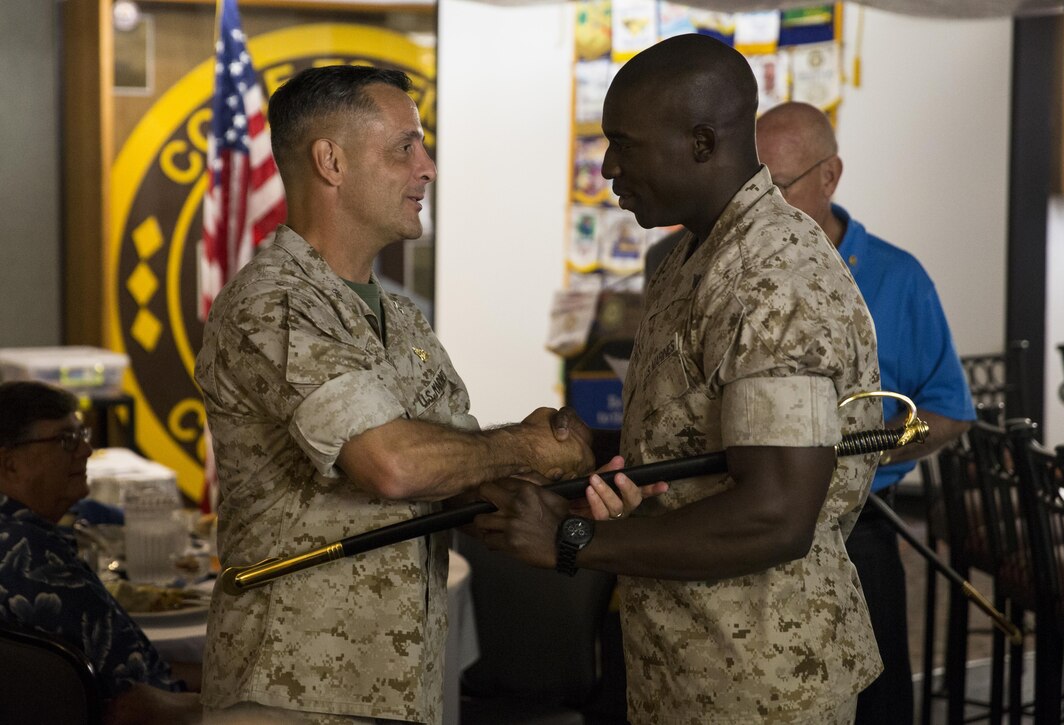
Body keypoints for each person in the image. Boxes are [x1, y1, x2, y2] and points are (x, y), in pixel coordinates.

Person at [195, 64, 656, 724]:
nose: (428, 166)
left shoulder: (402, 320)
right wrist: (525, 444)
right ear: (330, 161)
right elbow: (395, 465)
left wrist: (577, 488)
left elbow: (458, 480)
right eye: (404, 146)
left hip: (398, 681)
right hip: (290, 688)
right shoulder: (275, 303)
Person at [474, 34, 885, 724]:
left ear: (701, 142)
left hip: (763, 683)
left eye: (624, 144)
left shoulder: (770, 272)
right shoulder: (694, 254)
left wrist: (572, 541)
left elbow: (776, 512)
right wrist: (586, 446)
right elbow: (703, 438)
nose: (607, 167)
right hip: (690, 661)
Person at [755, 100, 976, 724]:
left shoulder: (899, 279)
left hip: (858, 522)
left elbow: (951, 411)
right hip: (749, 518)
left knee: (875, 703)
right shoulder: (736, 268)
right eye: (751, 186)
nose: (761, 206)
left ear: (830, 176)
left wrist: (859, 450)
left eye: (778, 187)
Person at [0, 380, 201, 724]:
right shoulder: (35, 557)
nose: (86, 450)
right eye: (66, 440)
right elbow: (132, 705)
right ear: (10, 464)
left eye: (82, 434)